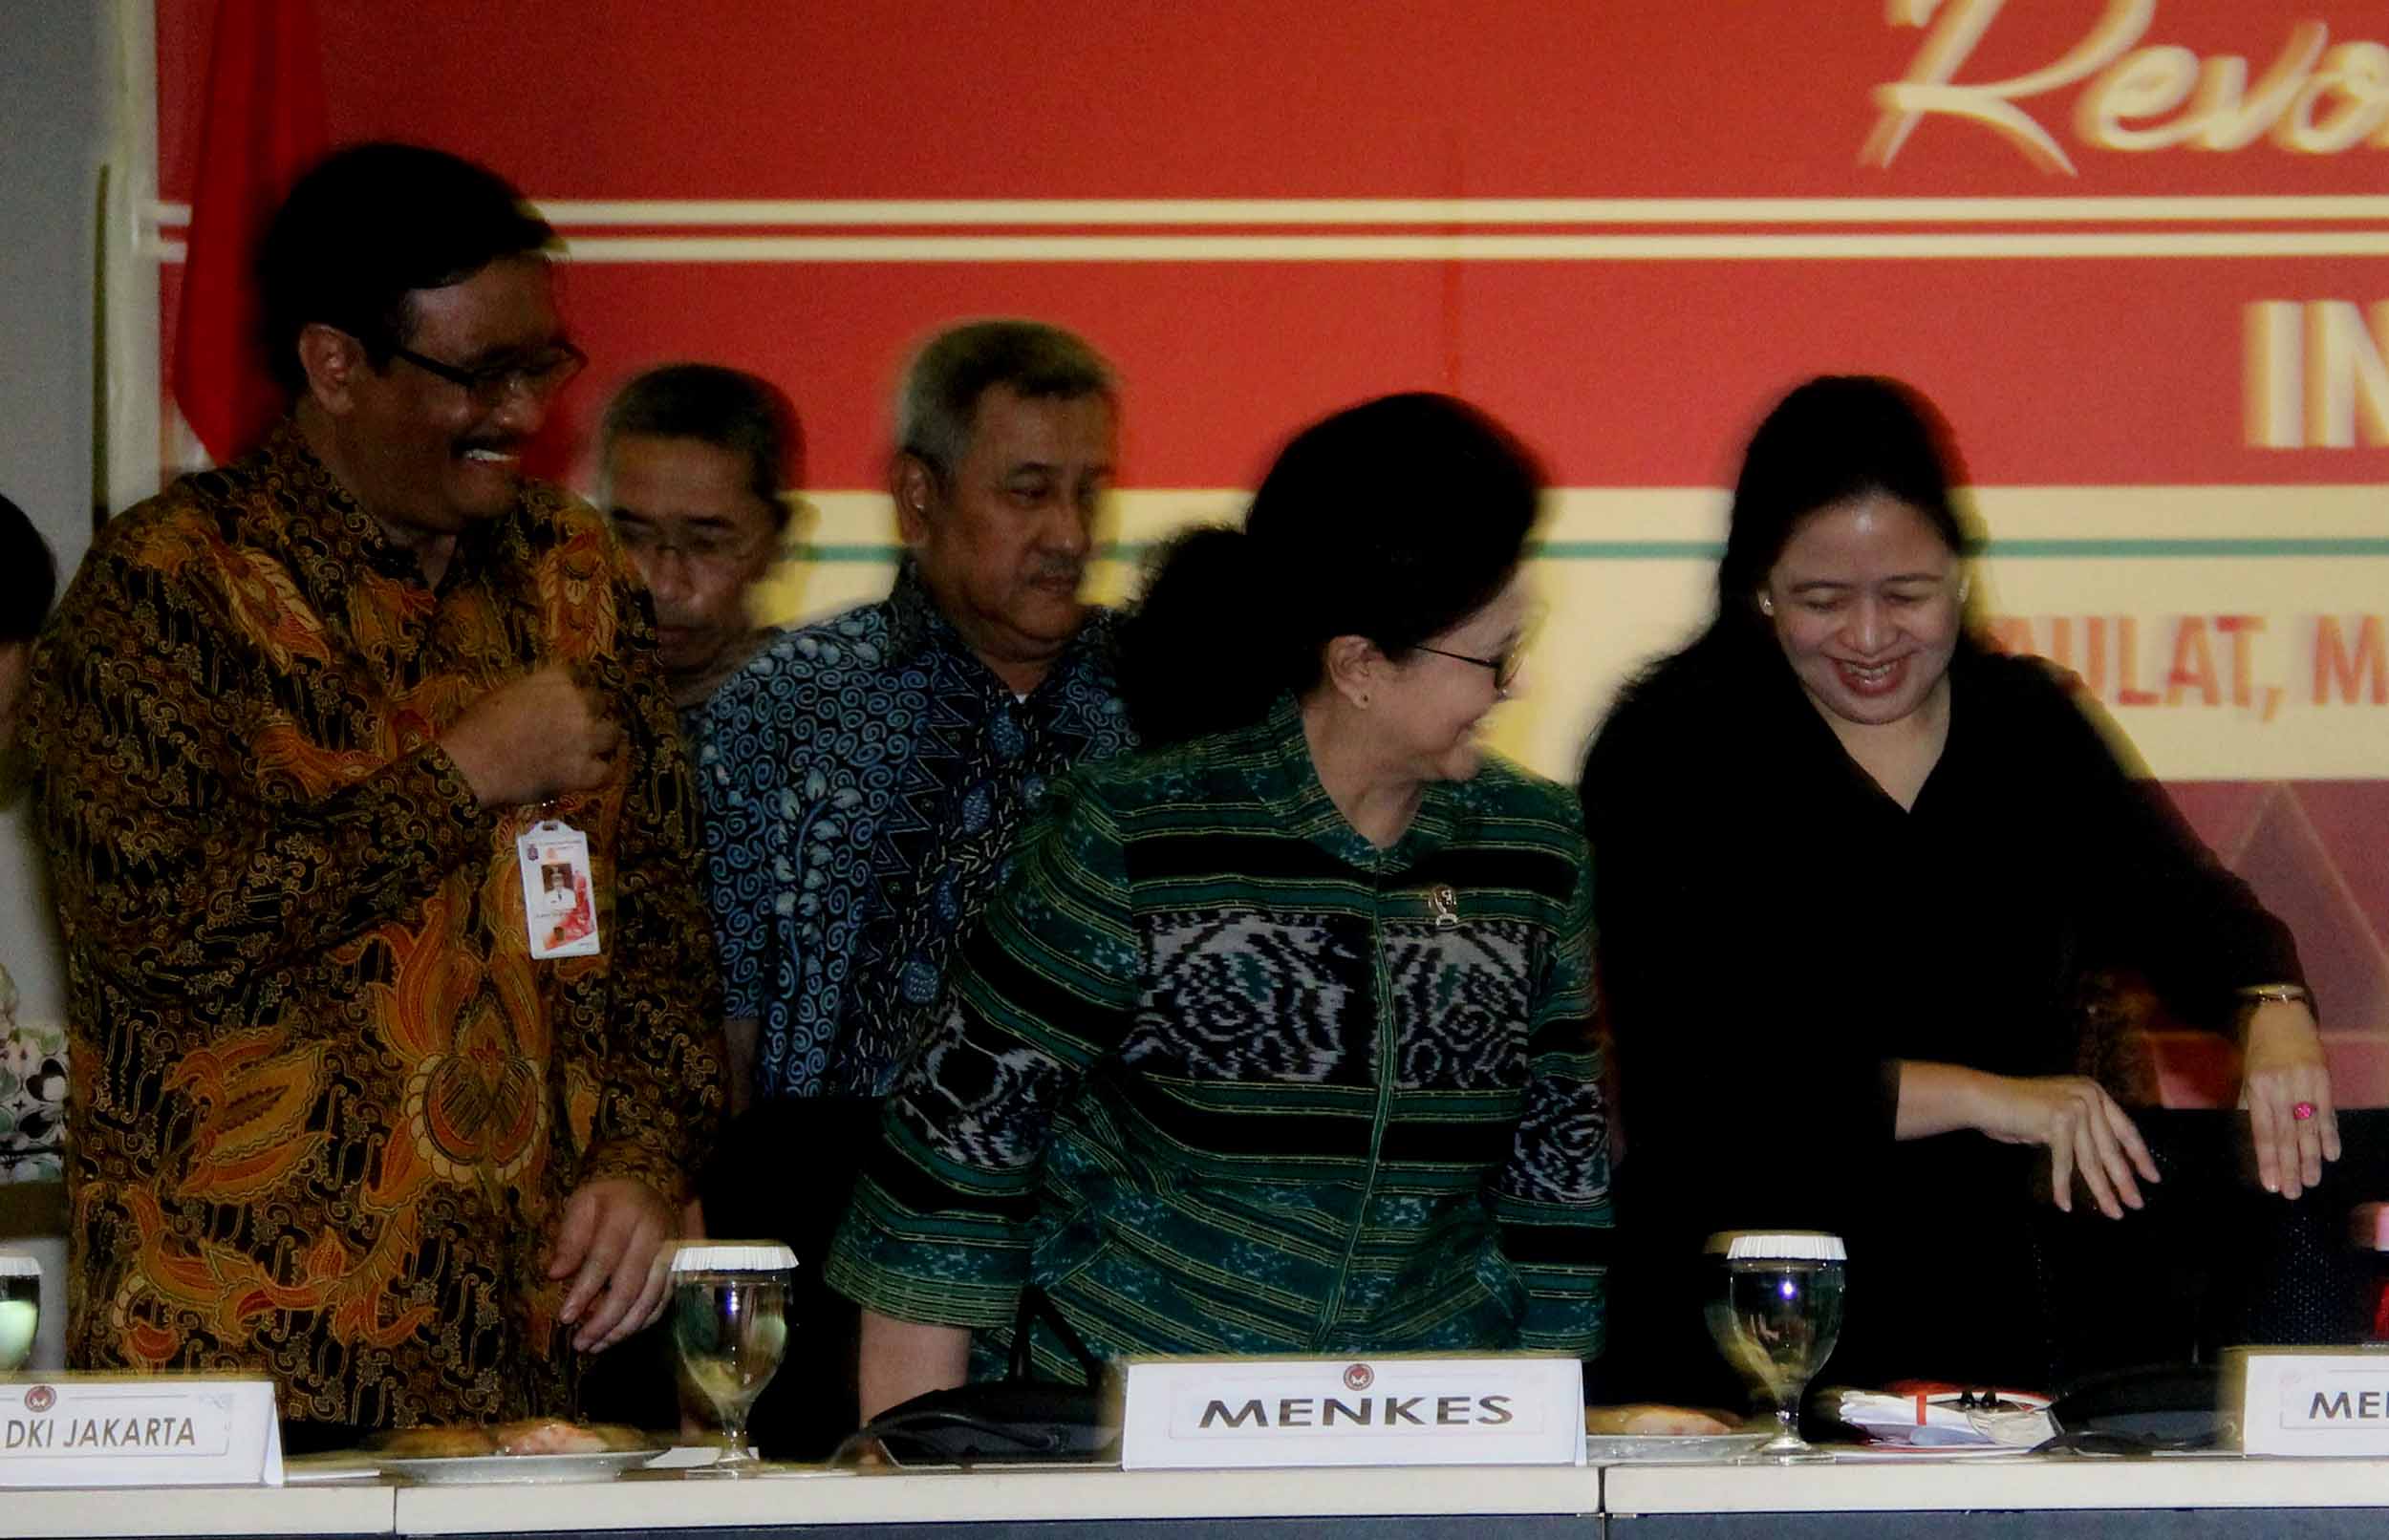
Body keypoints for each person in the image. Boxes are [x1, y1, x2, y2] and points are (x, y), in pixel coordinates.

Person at [26, 143, 724, 1442]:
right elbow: (158, 936)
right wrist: (464, 777)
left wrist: (641, 1160)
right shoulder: (168, 590)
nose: (523, 412)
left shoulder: (572, 572)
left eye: (543, 366)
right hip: (242, 1371)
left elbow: (666, 935)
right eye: (480, 375)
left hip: (529, 1366)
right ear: (335, 364)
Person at [830, 393, 1613, 1422]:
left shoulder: (1534, 848)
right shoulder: (1138, 838)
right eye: (1492, 656)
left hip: (1427, 1428)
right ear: (1359, 666)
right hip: (1130, 1428)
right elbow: (949, 1174)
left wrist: (1550, 1431)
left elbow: (1556, 1183)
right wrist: (912, 1461)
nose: (1516, 685)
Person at [1578, 374, 2335, 1403]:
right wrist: (1989, 1096)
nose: (1868, 636)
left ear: (1963, 577)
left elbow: (2191, 912)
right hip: (1749, 1327)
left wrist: (2271, 1005)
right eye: (1821, 601)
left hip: (1995, 1332)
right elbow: (1707, 1081)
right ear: (1759, 589)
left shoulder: (2027, 726)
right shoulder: (1668, 750)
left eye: (1907, 594)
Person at [698, 320, 1135, 1109]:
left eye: (1090, 494)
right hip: (827, 1180)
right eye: (1029, 492)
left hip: (1097, 1187)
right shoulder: (783, 708)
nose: (1070, 535)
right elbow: (721, 1019)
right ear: (919, 495)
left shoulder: (1164, 708)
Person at [597, 363, 801, 736]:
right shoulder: (535, 718)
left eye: (706, 545)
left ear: (777, 543)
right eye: (630, 537)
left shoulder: (825, 730)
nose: (663, 586)